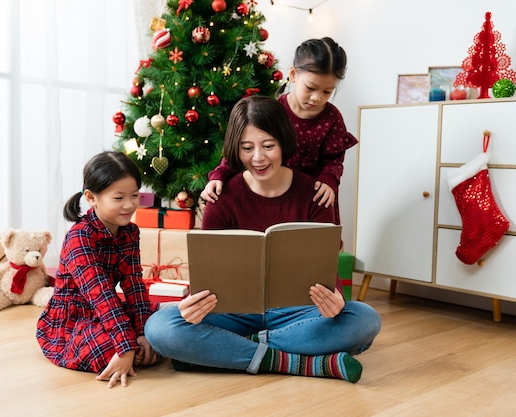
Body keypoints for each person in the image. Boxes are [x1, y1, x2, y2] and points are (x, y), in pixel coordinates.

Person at [145, 96, 380, 383]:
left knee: (364, 320)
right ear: (236, 148)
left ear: (283, 141)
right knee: (160, 327)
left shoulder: (315, 195)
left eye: (268, 146)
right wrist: (192, 303)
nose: (258, 157)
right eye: (247, 148)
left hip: (297, 313)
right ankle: (295, 362)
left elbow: (326, 268)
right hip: (232, 313)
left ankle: (225, 352)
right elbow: (209, 273)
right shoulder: (221, 197)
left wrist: (335, 302)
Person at [201, 37, 357, 225]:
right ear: (293, 75)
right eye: (310, 88)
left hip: (310, 196)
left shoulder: (332, 118)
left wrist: (329, 179)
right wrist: (218, 175)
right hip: (272, 188)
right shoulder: (275, 111)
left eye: (327, 92)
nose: (316, 98)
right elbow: (244, 146)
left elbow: (335, 159)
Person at [36, 151, 159, 388]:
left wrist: (143, 332)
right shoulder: (79, 237)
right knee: (114, 348)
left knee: (158, 332)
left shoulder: (130, 232)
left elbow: (133, 285)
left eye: (134, 196)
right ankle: (128, 350)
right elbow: (100, 295)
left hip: (106, 313)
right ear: (92, 197)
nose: (129, 205)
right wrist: (125, 346)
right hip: (72, 320)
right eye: (118, 198)